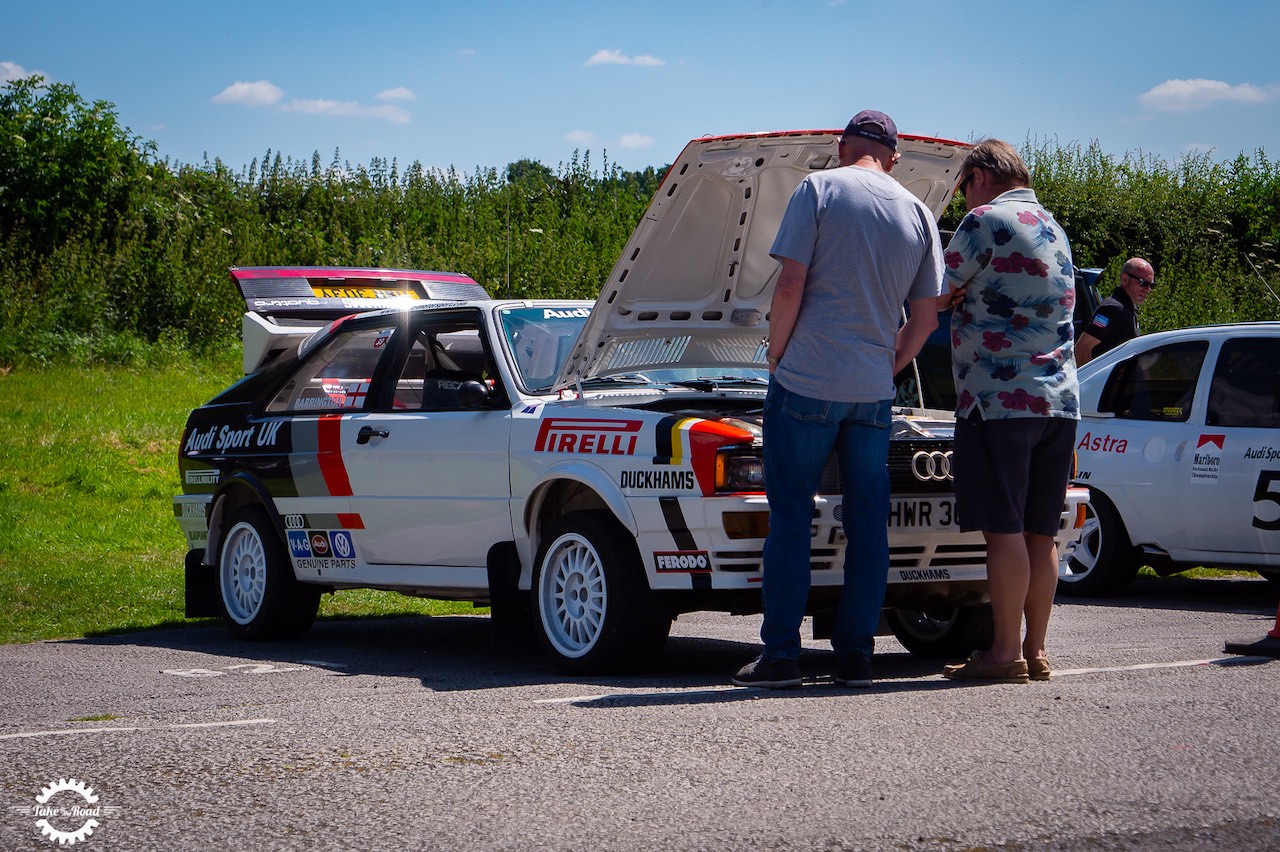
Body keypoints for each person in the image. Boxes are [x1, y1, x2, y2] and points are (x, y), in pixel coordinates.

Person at [731, 110, 943, 689]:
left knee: (793, 518)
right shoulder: (920, 213)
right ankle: (856, 656)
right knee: (869, 524)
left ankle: (780, 655)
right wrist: (884, 367)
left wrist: (776, 358)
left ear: (843, 146)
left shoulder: (818, 187)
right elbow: (924, 321)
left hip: (806, 381)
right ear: (894, 158)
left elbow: (791, 284)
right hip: (872, 393)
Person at [938, 139, 1079, 684]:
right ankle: (1035, 649)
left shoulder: (982, 221)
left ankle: (1002, 653)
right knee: (1041, 533)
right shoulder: (1053, 227)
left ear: (978, 176)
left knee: (1004, 532)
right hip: (1060, 401)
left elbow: (936, 291)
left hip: (999, 400)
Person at [1074, 257, 1156, 365]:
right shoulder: (1113, 308)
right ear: (1125, 279)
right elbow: (1082, 348)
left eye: (1151, 285)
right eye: (1143, 283)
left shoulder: (1127, 309)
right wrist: (1089, 381)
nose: (1148, 289)